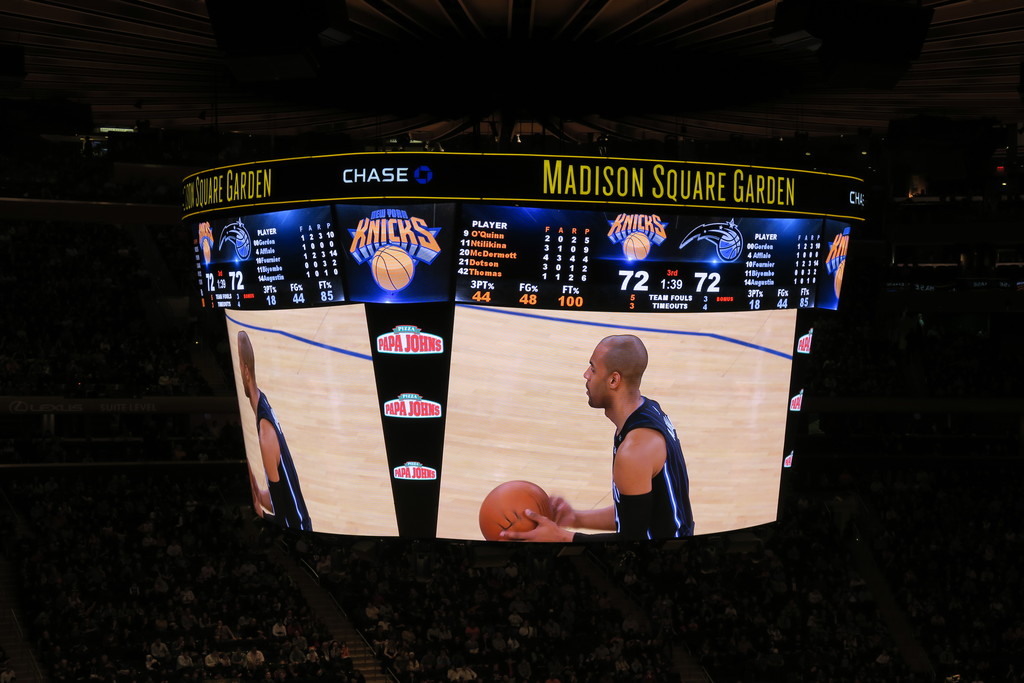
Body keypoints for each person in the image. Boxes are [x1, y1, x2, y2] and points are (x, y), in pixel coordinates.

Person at [503, 334, 694, 541]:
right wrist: (575, 518)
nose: (586, 375)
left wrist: (562, 537)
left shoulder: (635, 449)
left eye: (593, 369)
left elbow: (631, 541)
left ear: (613, 380)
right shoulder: (647, 410)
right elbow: (637, 513)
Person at [238, 330, 313, 531]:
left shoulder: (265, 433)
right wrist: (261, 495)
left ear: (246, 371)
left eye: (239, 366)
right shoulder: (263, 400)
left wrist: (259, 510)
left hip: (298, 527)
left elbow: (282, 518)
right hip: (297, 518)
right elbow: (283, 498)